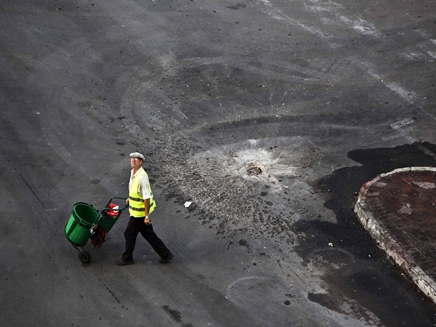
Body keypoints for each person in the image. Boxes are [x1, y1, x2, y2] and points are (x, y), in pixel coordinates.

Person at [115, 152, 173, 266]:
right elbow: (137, 192)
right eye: (132, 158)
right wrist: (130, 199)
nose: (133, 160)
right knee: (149, 234)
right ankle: (166, 254)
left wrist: (147, 216)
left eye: (136, 159)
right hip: (137, 212)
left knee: (129, 234)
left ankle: (127, 258)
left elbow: (146, 198)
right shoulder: (133, 172)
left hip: (139, 214)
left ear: (141, 162)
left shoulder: (142, 177)